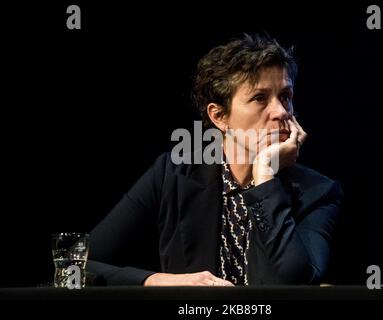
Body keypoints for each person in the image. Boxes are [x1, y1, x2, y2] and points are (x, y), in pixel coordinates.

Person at [87, 33, 343, 286]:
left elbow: (295, 281)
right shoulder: (171, 175)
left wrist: (264, 174)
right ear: (219, 116)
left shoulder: (317, 192)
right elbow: (80, 263)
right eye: (259, 98)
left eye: (285, 96)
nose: (281, 111)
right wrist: (156, 280)